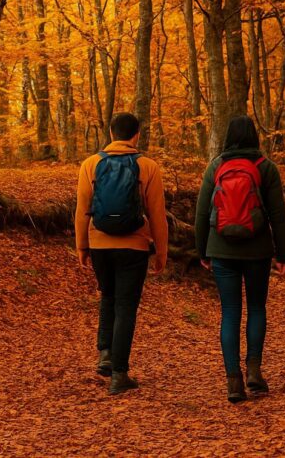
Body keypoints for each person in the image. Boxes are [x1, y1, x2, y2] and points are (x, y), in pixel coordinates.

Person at [195, 115, 285, 403]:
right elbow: (278, 215)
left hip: (221, 248)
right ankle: (254, 371)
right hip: (257, 249)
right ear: (254, 137)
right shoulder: (266, 168)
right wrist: (282, 254)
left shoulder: (216, 166)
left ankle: (233, 382)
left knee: (230, 311)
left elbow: (201, 213)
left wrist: (202, 251)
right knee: (257, 308)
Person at [75, 112, 168, 395]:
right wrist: (161, 251)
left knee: (108, 297)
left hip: (100, 243)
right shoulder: (147, 166)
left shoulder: (91, 164)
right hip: (134, 245)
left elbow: (82, 209)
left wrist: (81, 245)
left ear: (111, 133)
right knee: (126, 306)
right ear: (136, 134)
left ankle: (105, 352)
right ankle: (119, 374)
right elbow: (156, 214)